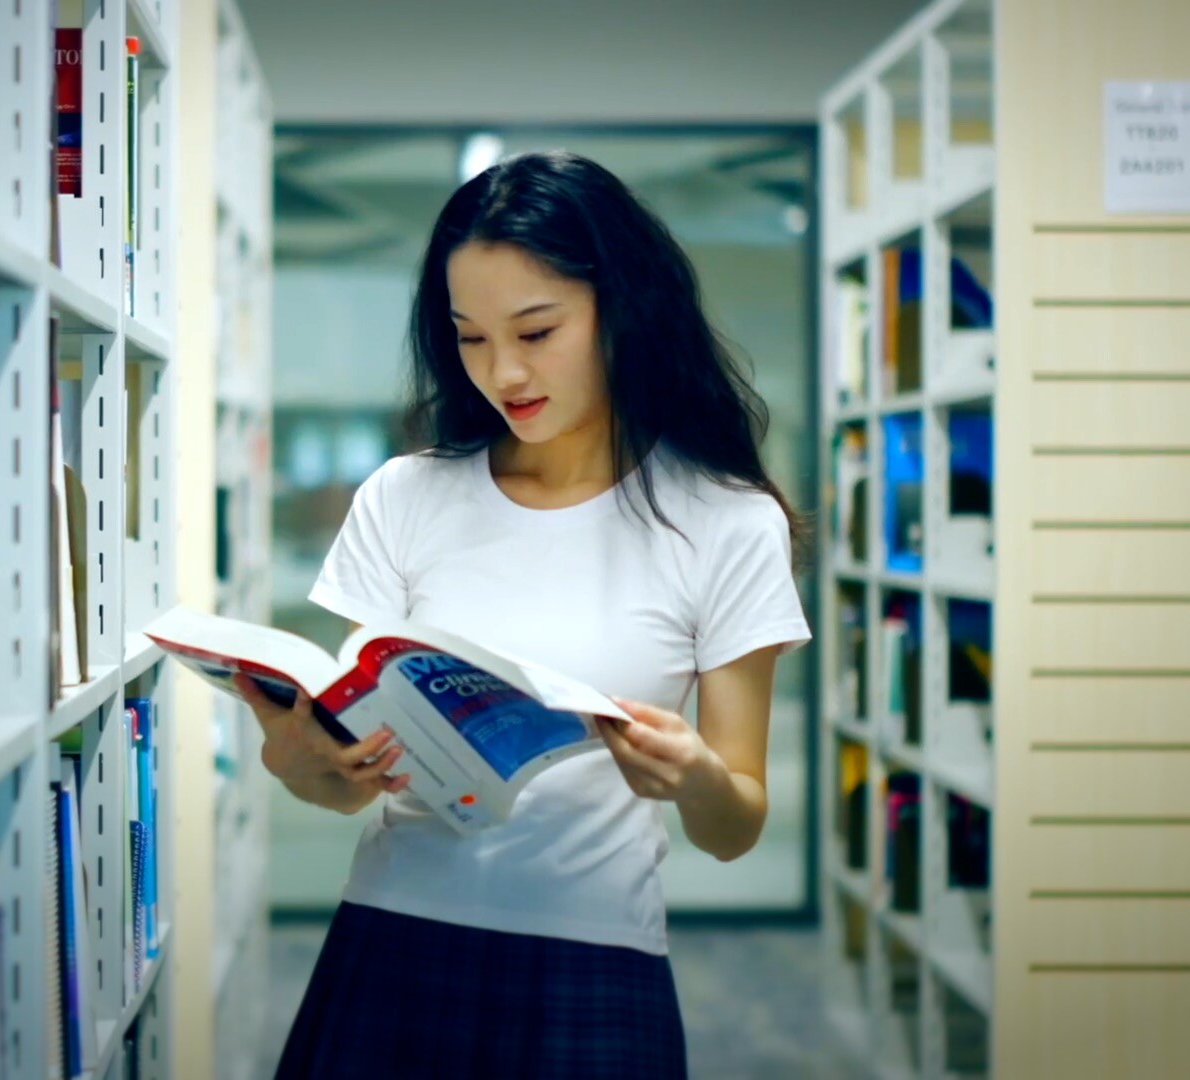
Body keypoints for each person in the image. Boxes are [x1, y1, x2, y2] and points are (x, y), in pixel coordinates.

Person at [239, 150, 811, 1079]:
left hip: (596, 961)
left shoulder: (725, 521)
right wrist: (304, 762)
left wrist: (695, 775)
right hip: (392, 937)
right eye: (469, 337)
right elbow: (349, 787)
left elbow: (734, 824)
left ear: (623, 309)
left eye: (537, 331)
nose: (502, 371)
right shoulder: (405, 497)